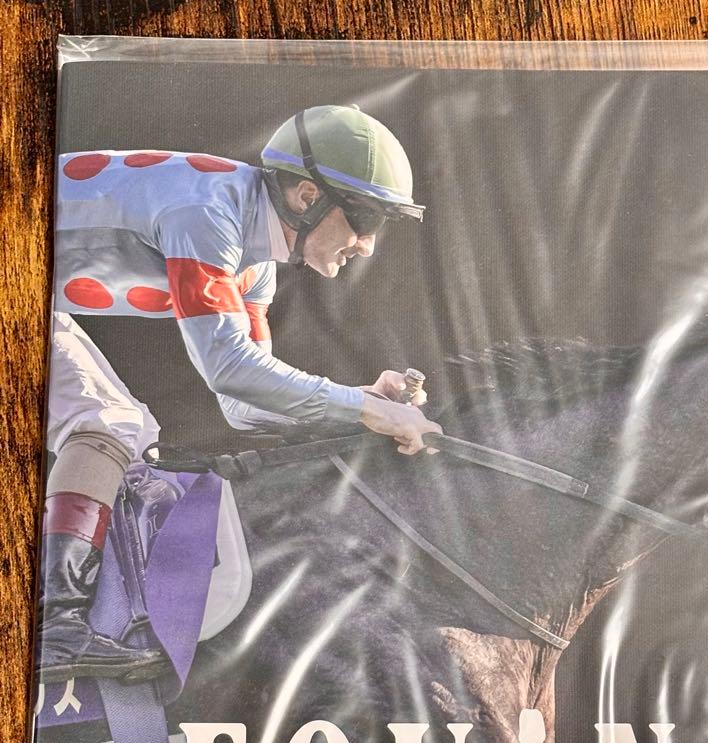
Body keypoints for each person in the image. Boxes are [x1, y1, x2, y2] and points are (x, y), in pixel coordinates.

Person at [40, 105, 442, 685]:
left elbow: (243, 404)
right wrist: (370, 410)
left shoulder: (255, 264)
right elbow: (230, 368)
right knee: (108, 424)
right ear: (307, 196)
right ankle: (55, 628)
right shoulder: (208, 213)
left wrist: (360, 406)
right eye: (365, 218)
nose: (368, 245)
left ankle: (57, 623)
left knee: (119, 429)